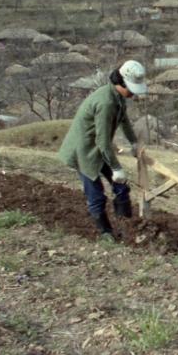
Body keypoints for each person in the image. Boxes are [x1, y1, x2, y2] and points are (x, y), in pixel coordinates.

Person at [57, 60, 147, 238]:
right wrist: (116, 168)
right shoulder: (106, 103)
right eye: (130, 89)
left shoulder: (118, 97)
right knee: (96, 196)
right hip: (84, 151)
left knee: (121, 188)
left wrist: (134, 142)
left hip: (98, 148)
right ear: (120, 82)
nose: (132, 94)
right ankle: (106, 233)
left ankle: (126, 227)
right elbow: (103, 141)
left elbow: (124, 120)